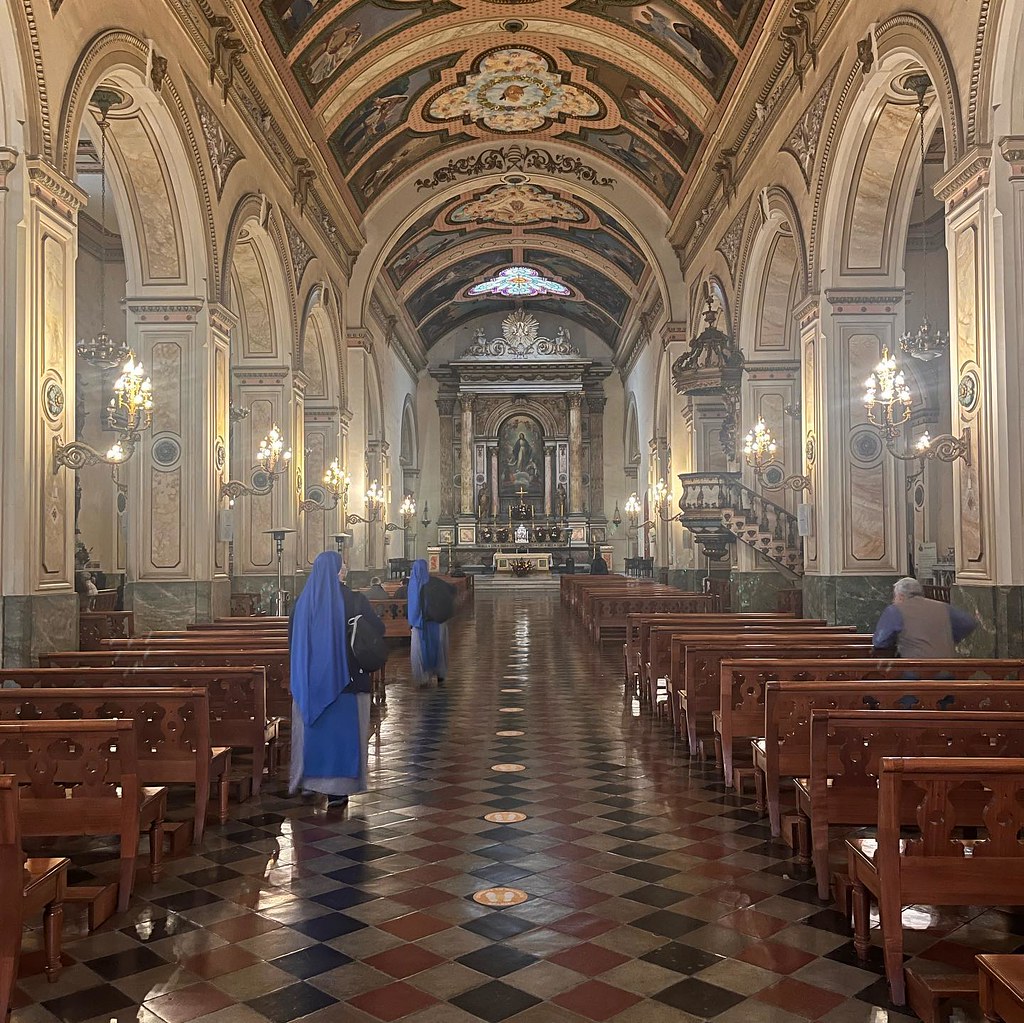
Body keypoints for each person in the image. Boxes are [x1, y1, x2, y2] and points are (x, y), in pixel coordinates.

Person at [289, 550, 383, 814]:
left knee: (315, 733)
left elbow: (293, 643)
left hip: (310, 686)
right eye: (342, 567)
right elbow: (377, 631)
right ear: (337, 571)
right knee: (345, 738)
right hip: (349, 684)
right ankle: (339, 790)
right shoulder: (355, 601)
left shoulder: (301, 603)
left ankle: (310, 783)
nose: (344, 571)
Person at [872, 577, 978, 658]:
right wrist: (951, 638)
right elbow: (969, 623)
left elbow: (880, 642)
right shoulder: (943, 606)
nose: (893, 600)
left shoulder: (894, 610)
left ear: (900, 596)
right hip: (946, 671)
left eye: (894, 597)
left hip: (913, 673)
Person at [407, 559, 451, 688]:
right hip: (437, 622)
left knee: (420, 651)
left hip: (420, 624)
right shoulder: (435, 583)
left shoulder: (414, 584)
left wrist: (414, 620)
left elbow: (413, 605)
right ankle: (440, 673)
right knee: (439, 649)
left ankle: (422, 677)